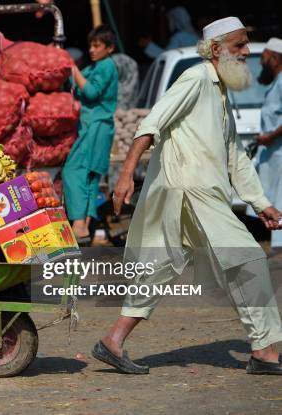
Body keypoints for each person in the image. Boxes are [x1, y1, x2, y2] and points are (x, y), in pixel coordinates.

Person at [91, 17, 282, 376]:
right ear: (215, 49)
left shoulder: (219, 90)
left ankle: (112, 341)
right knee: (249, 260)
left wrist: (261, 203)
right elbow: (152, 123)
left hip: (194, 192)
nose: (246, 53)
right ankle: (264, 351)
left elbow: (234, 156)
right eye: (239, 45)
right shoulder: (195, 78)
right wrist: (126, 174)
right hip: (190, 189)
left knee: (160, 269)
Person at [62, 24, 118, 244]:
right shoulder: (96, 67)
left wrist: (73, 68)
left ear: (110, 48)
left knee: (73, 171)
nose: (92, 50)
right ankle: (83, 226)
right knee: (89, 176)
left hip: (97, 127)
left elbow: (92, 92)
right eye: (91, 46)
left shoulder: (106, 66)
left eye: (97, 46)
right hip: (92, 127)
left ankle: (78, 221)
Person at [253, 38, 282, 264]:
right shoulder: (275, 83)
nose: (261, 61)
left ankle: (280, 249)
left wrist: (269, 136)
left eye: (263, 56)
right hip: (271, 155)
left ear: (274, 58)